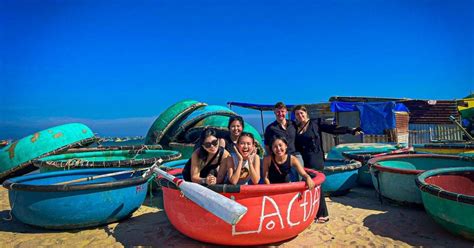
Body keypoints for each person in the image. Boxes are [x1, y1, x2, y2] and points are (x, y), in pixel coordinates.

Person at [293, 104, 362, 223]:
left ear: (306, 113)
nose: (300, 116)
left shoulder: (315, 123)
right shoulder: (296, 128)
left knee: (316, 185)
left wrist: (351, 131)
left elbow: (333, 129)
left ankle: (323, 214)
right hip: (303, 160)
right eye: (297, 114)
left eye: (301, 113)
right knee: (309, 186)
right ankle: (313, 212)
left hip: (315, 159)